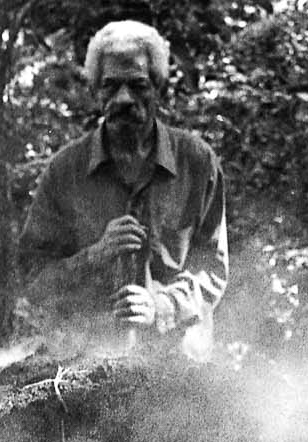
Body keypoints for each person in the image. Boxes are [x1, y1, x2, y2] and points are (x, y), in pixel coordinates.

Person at [17, 20, 228, 361]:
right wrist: (93, 257)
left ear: (157, 88)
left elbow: (213, 270)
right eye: (111, 86)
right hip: (85, 366)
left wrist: (161, 306)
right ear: (96, 92)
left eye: (138, 85)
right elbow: (33, 279)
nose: (124, 98)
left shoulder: (198, 162)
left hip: (178, 366)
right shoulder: (64, 171)